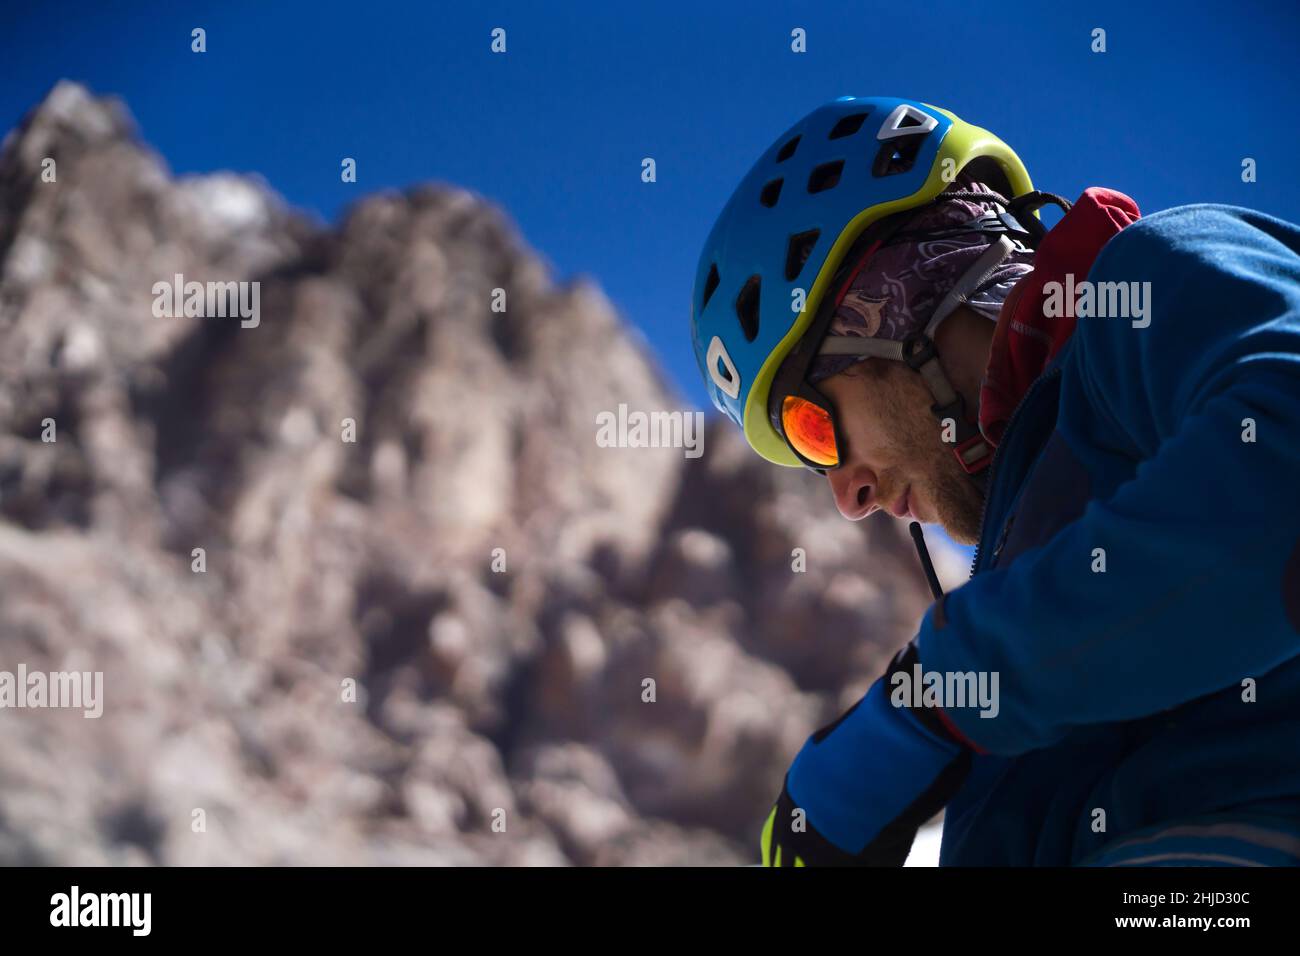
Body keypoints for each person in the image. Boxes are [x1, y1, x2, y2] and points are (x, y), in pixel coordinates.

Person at [690, 95, 1300, 866]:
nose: (847, 497)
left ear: (893, 305)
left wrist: (939, 700)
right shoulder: (1037, 575)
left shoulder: (1152, 278)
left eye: (817, 426)